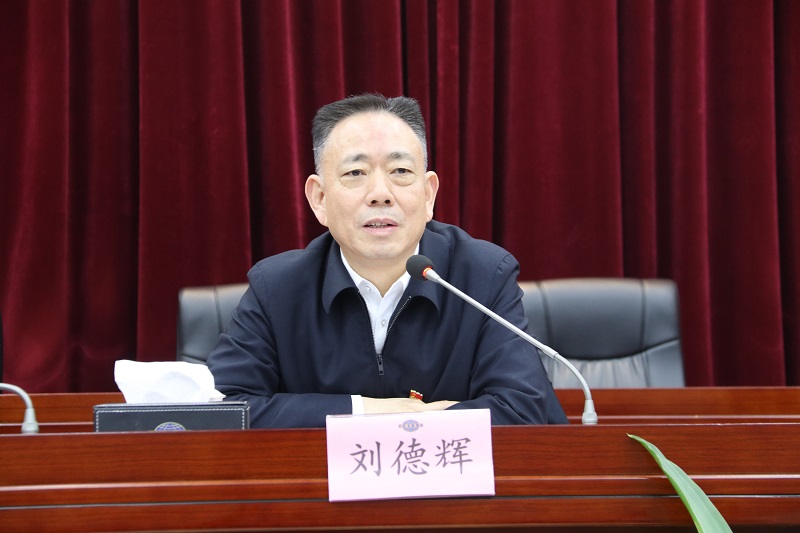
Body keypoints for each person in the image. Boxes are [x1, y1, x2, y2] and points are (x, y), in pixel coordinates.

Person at [206, 93, 566, 428]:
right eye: (355, 173)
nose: (380, 194)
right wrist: (370, 411)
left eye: (401, 172)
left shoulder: (483, 275)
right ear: (319, 199)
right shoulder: (277, 288)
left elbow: (522, 410)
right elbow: (222, 408)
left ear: (428, 195)